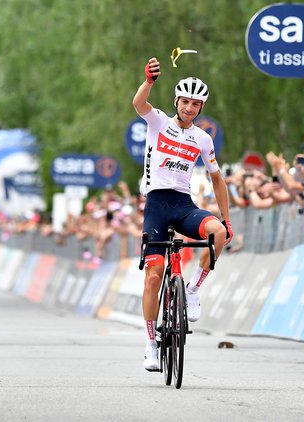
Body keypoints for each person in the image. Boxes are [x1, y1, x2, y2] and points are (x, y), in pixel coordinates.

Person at [132, 57, 233, 372]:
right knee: (153, 276)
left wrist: (227, 219)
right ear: (176, 101)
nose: (190, 108)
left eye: (196, 103)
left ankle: (192, 290)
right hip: (157, 206)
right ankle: (150, 344)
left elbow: (217, 179)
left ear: (201, 108)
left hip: (184, 204)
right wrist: (148, 81)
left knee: (219, 233)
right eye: (185, 101)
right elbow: (138, 104)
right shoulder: (160, 122)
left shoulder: (203, 139)